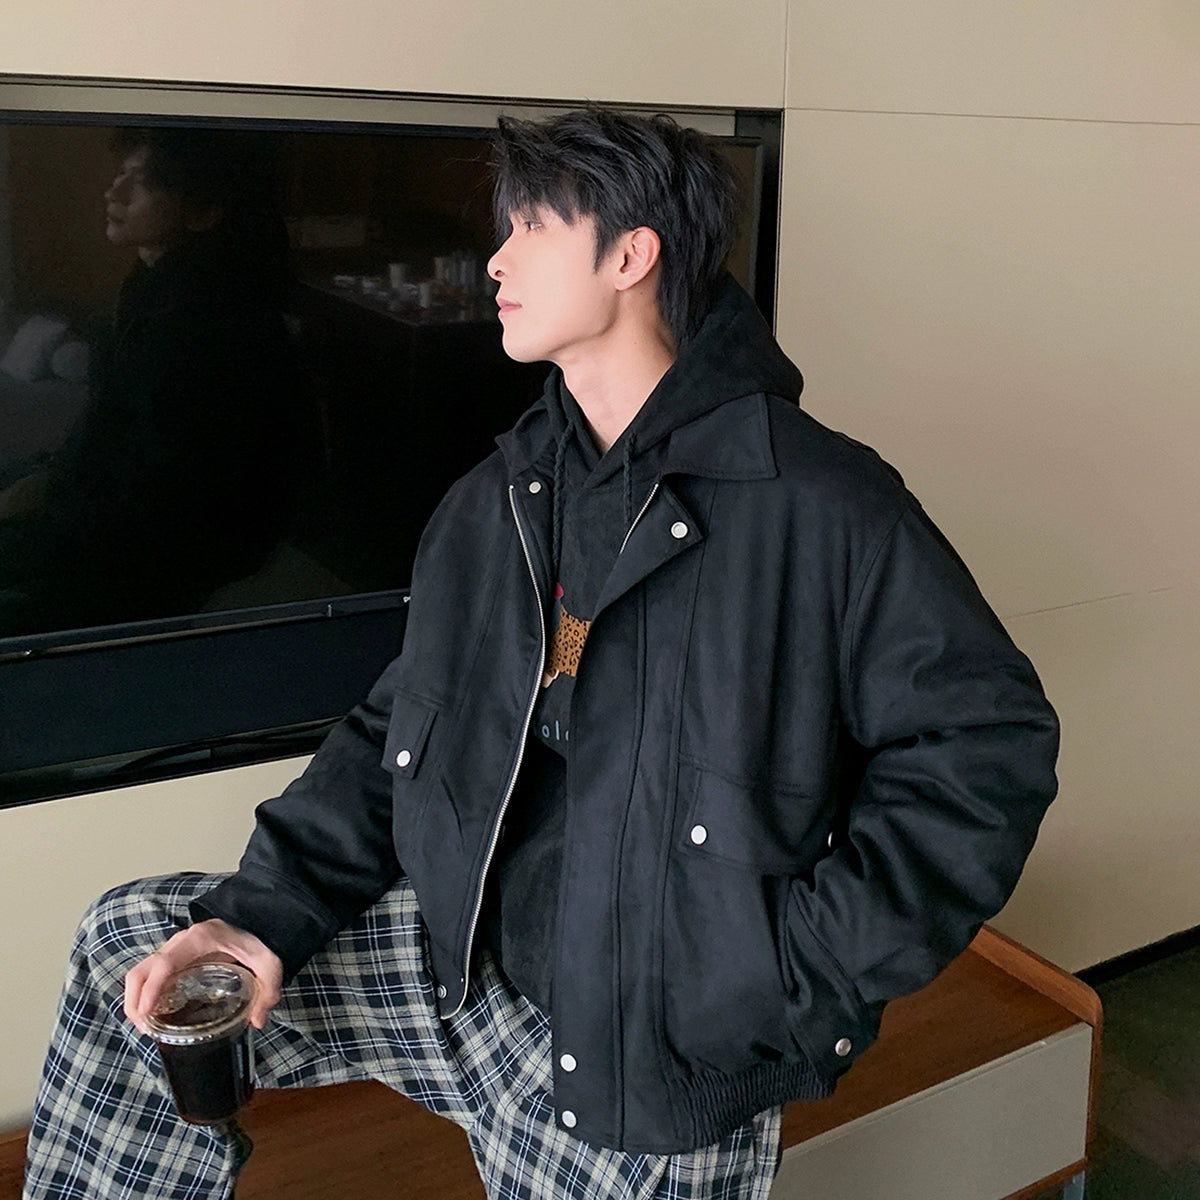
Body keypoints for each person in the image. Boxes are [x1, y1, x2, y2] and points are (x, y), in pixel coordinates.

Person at [23, 109, 1059, 1199]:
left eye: (529, 227)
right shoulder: (498, 499)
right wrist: (262, 917)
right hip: (460, 975)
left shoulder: (823, 504)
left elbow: (984, 752)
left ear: (631, 254)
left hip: (652, 1046)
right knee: (130, 951)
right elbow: (398, 726)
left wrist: (786, 975)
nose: (496, 259)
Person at [0, 126, 297, 637]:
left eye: (142, 182)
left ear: (203, 213)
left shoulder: (204, 322)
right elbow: (109, 423)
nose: (113, 191)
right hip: (116, 500)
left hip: (164, 543)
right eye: (122, 173)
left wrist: (45, 504)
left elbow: (159, 492)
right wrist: (48, 479)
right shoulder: (155, 284)